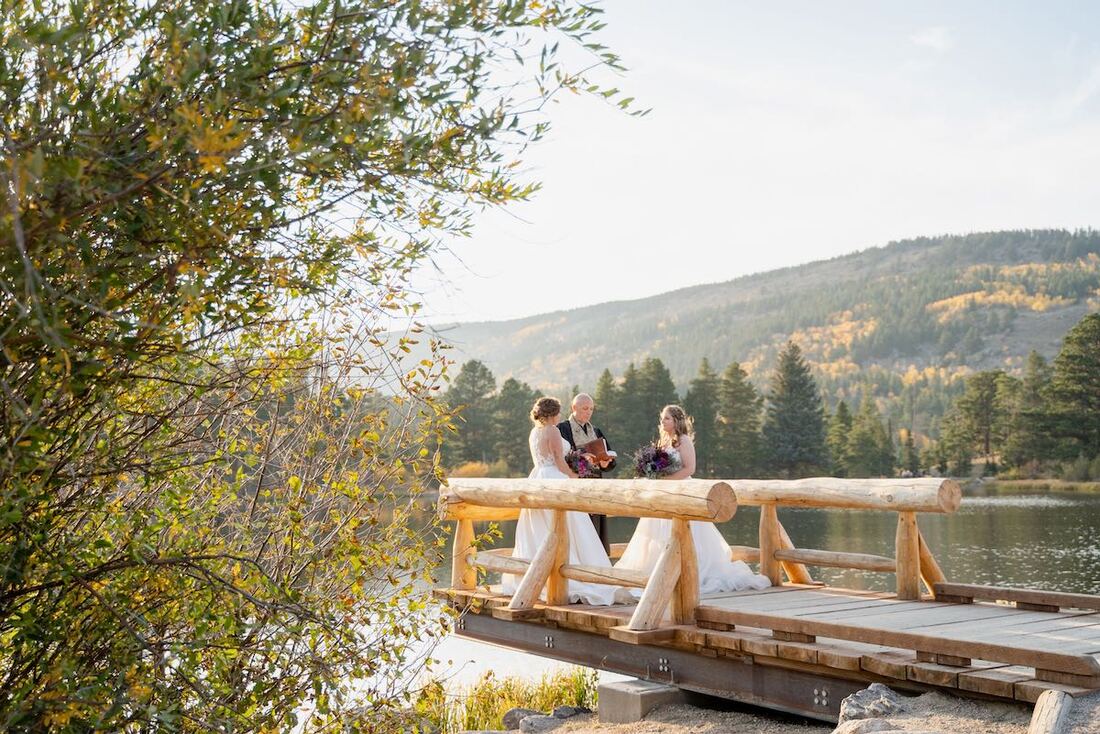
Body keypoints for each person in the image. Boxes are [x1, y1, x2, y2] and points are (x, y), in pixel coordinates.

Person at [615, 405, 770, 595]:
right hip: (664, 493)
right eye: (662, 418)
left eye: (667, 419)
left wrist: (665, 480)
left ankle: (685, 572)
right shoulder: (664, 442)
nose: (662, 422)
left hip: (681, 491)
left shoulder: (684, 440)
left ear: (677, 421)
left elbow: (690, 469)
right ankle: (657, 573)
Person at [499, 397, 618, 605]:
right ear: (553, 413)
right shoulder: (553, 430)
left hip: (538, 478)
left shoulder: (534, 432)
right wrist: (574, 477)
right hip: (555, 479)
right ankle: (570, 575)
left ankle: (539, 576)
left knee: (541, 528)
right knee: (569, 526)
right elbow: (558, 459)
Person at [557, 393, 616, 553]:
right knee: (578, 533)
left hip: (595, 485)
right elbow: (560, 458)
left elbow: (609, 457)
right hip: (574, 485)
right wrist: (580, 457)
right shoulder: (562, 429)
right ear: (574, 407)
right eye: (585, 408)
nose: (588, 412)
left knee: (595, 533)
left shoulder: (596, 431)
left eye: (591, 409)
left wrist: (606, 462)